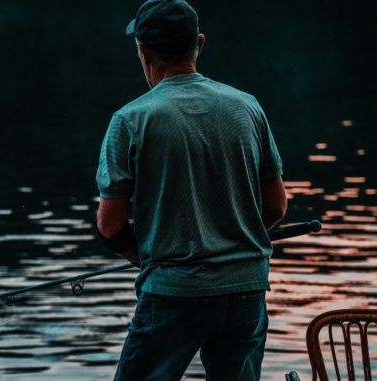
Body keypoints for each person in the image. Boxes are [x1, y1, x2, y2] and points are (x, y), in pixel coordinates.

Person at [95, 1, 288, 380]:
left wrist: (150, 259)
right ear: (199, 43)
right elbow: (277, 206)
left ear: (143, 50)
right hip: (246, 288)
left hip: (172, 292)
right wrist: (235, 241)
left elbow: (110, 225)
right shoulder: (247, 108)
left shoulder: (131, 120)